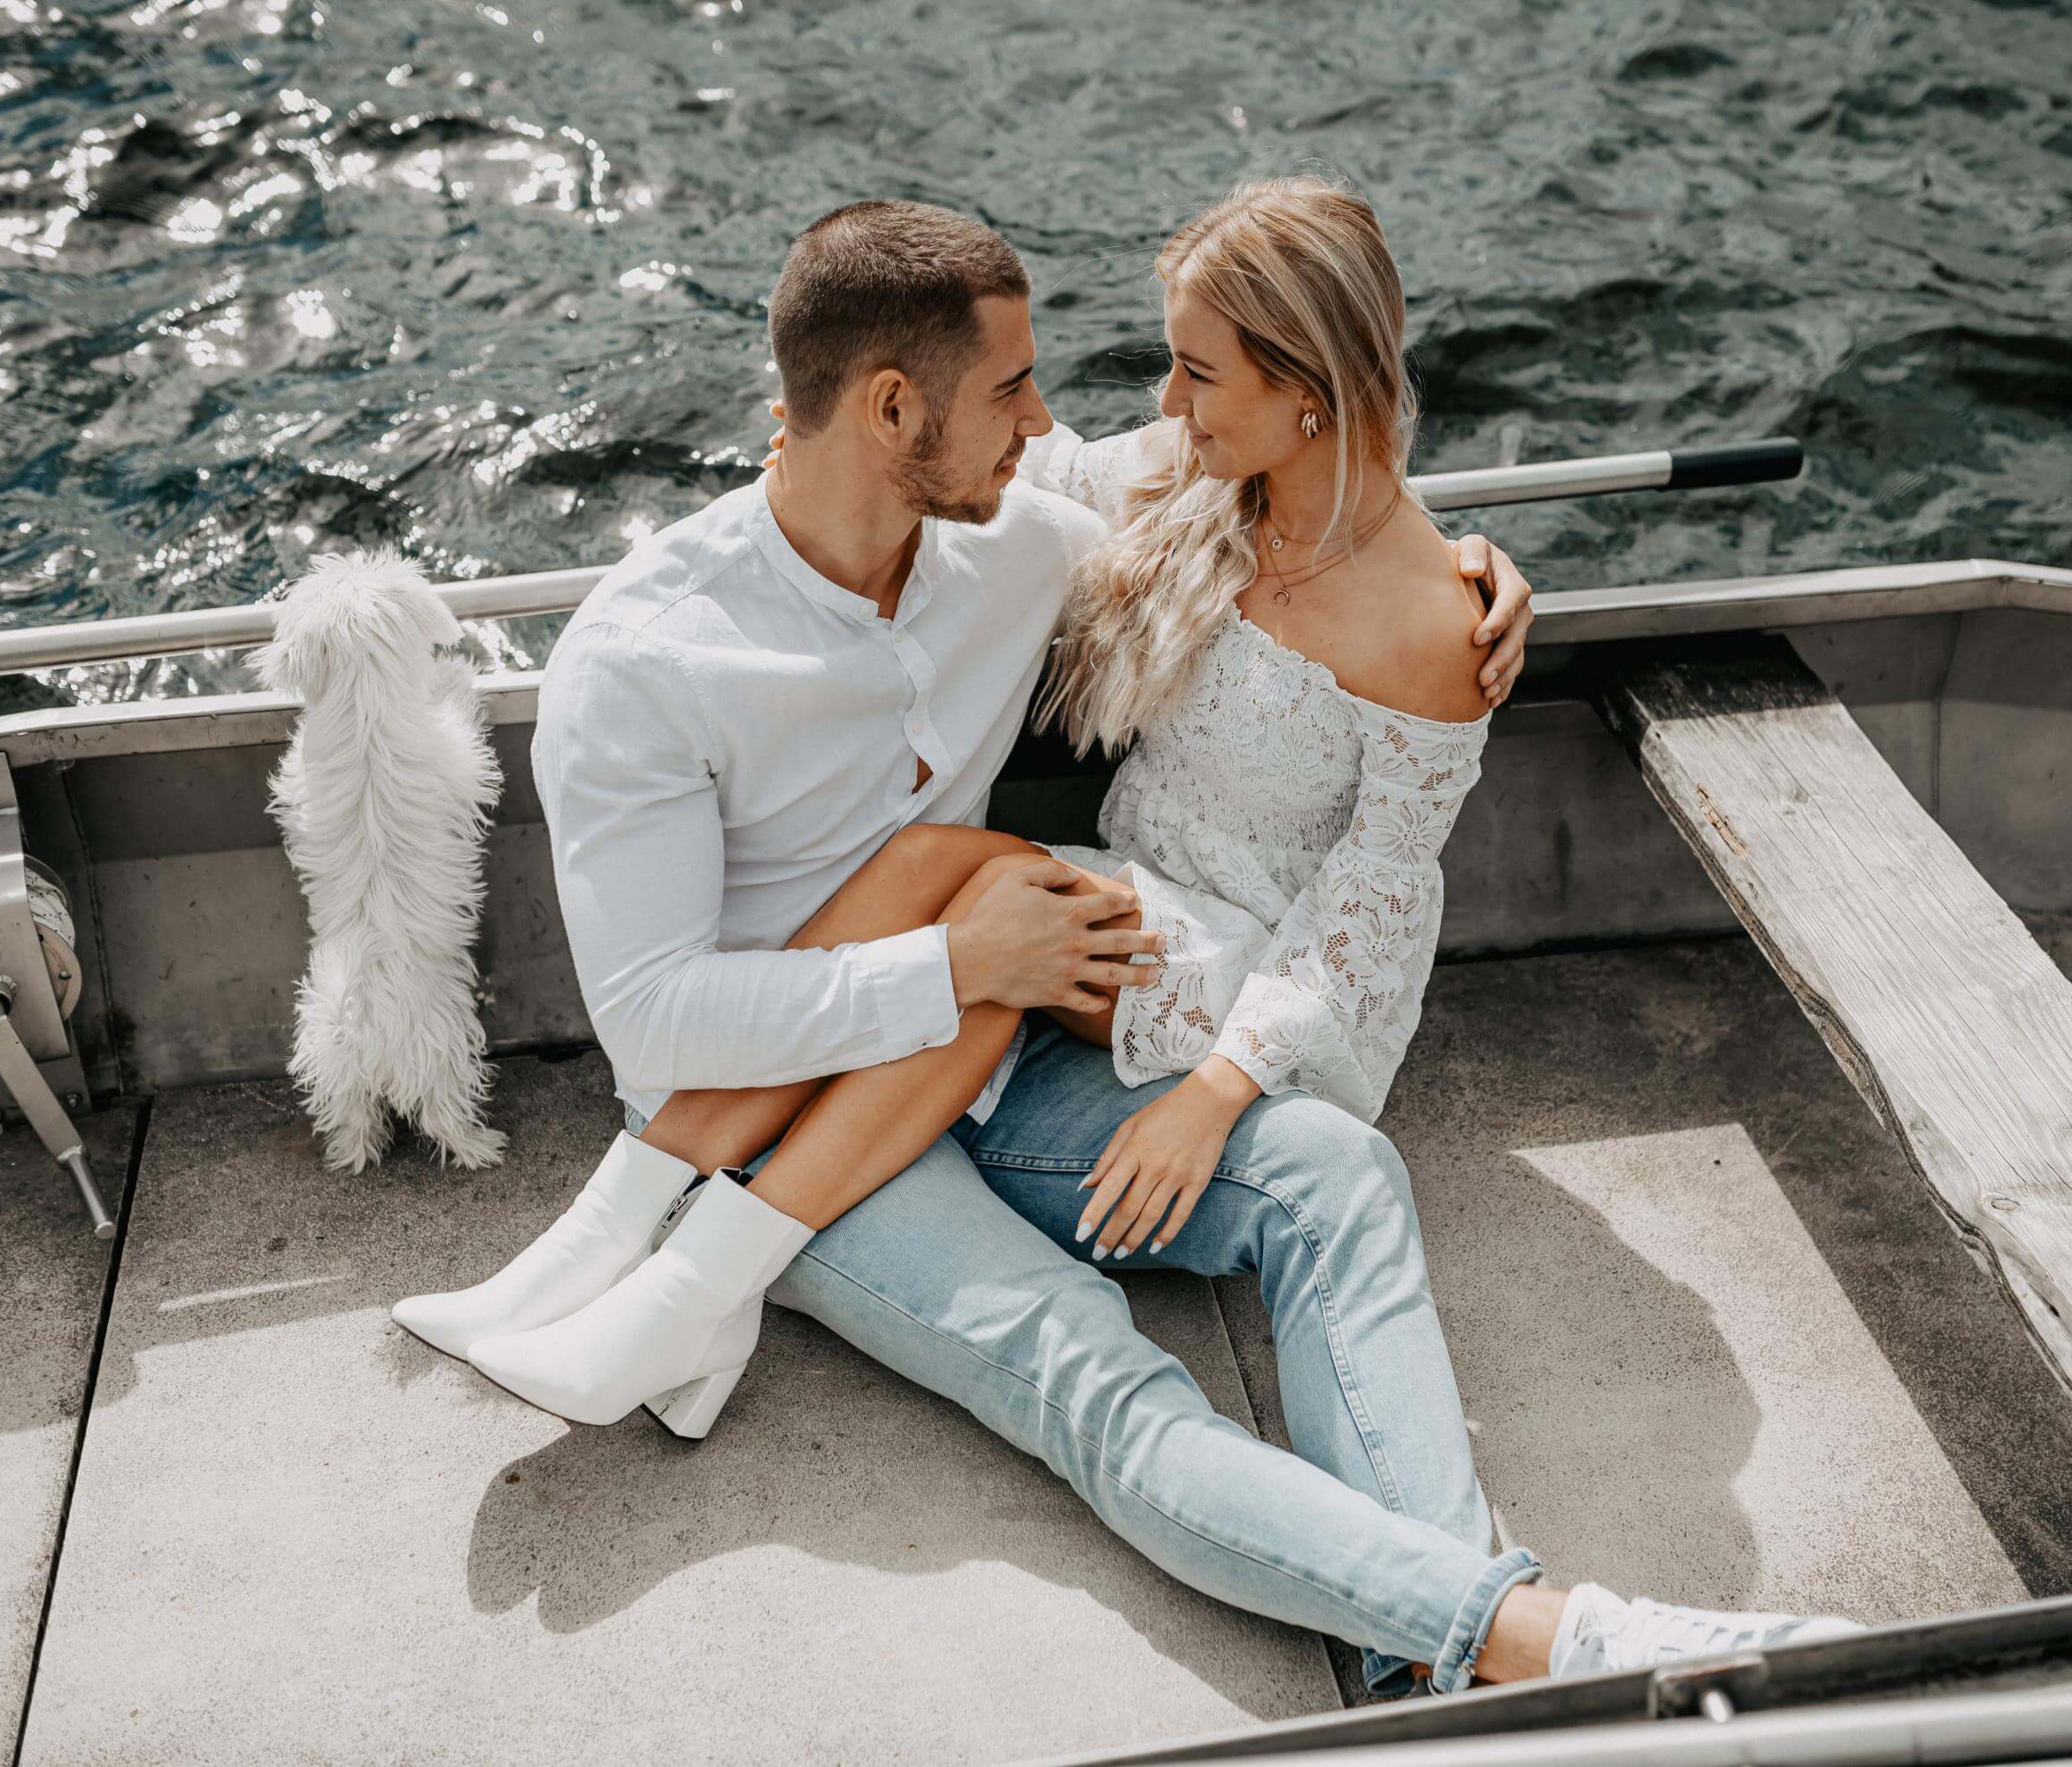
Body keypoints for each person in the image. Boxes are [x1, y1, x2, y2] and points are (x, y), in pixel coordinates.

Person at [396, 188, 1855, 1696]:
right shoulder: (644, 661)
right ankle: (1553, 1642)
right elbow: (658, 1036)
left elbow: (1291, 483)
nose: (1049, 422)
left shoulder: (1018, 532)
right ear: (895, 408)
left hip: (1012, 1031)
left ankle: (1424, 1688)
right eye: (1015, 389)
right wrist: (964, 969)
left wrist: (1469, 573)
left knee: (1337, 1174)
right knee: (1094, 1371)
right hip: (769, 1116)